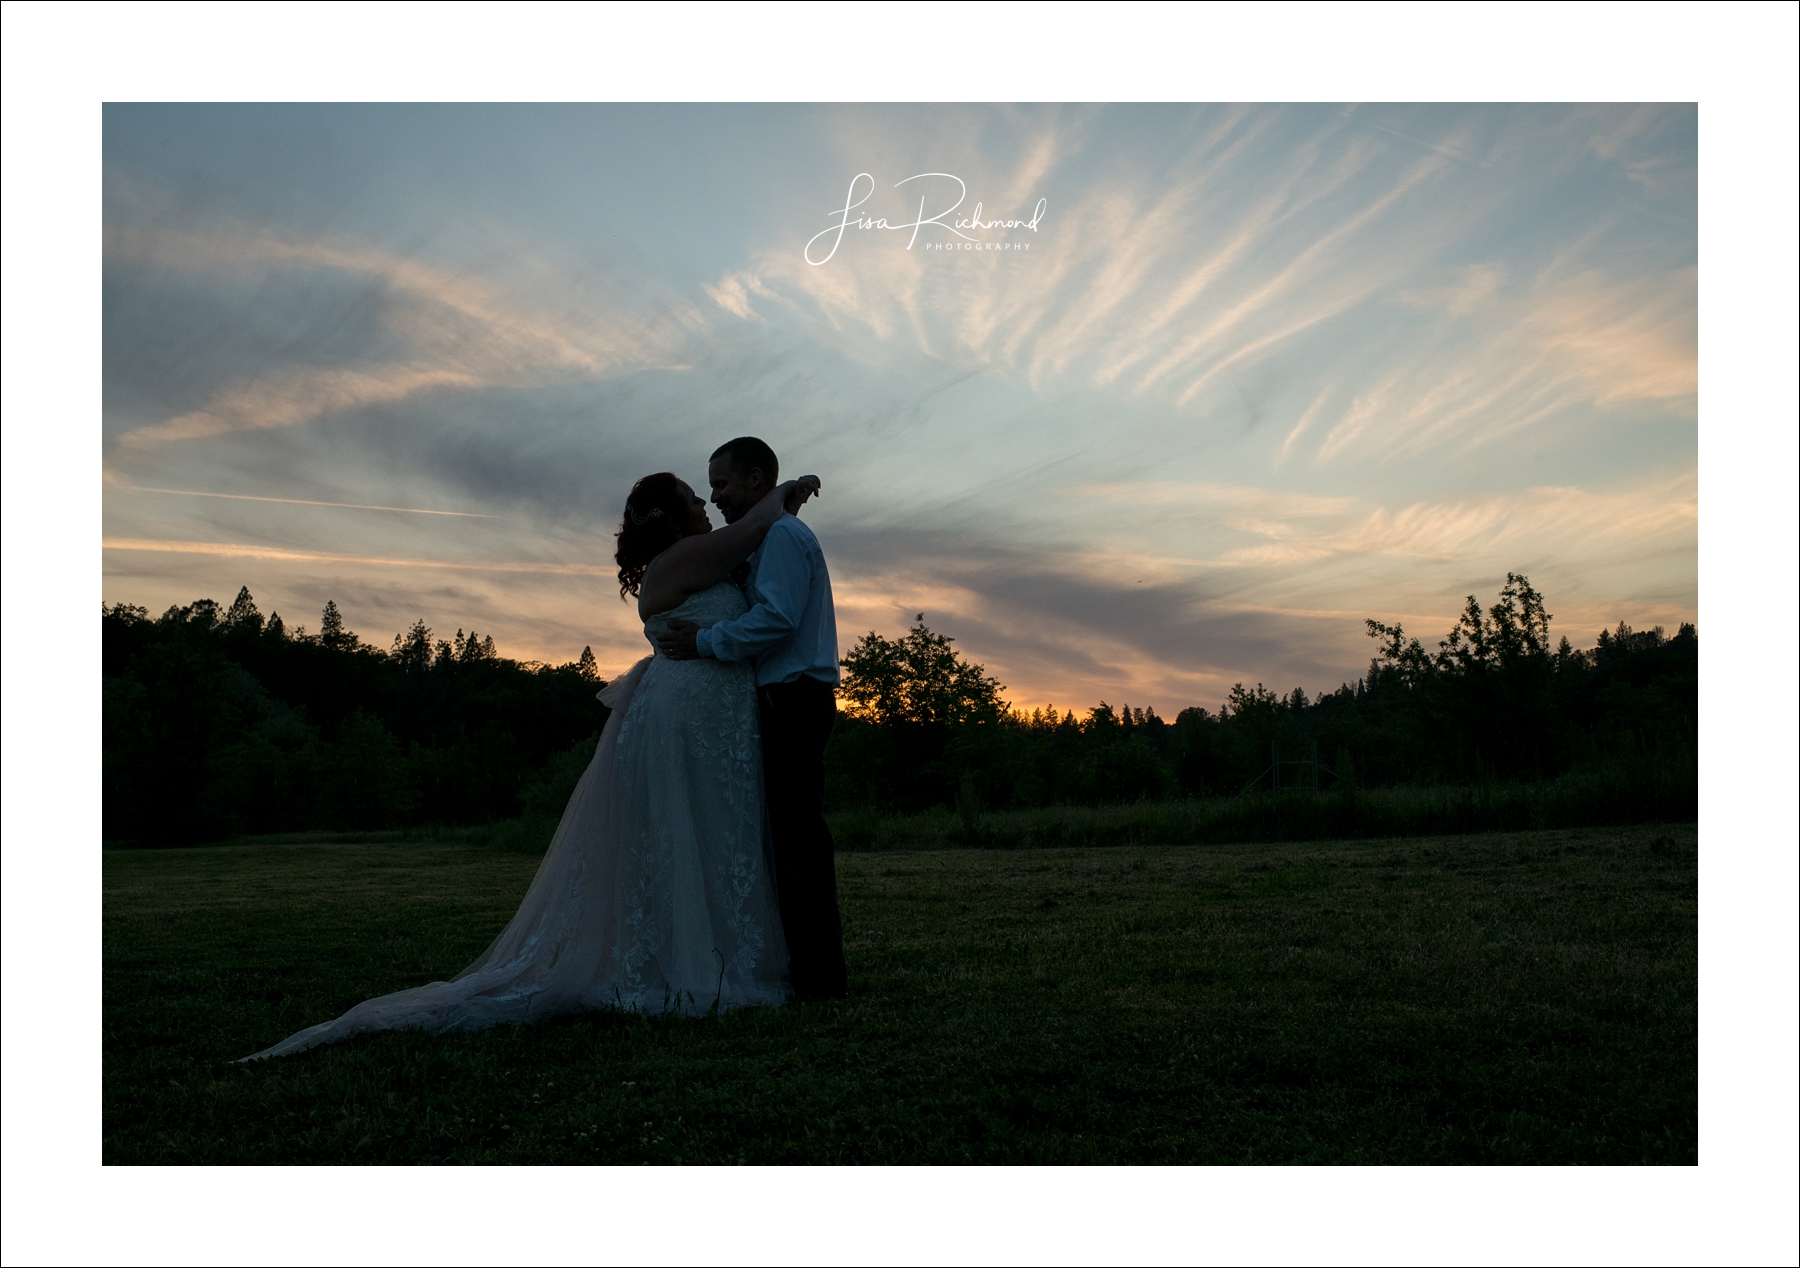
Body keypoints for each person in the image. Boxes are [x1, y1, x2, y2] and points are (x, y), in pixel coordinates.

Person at [240, 468, 819, 1060]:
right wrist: (787, 488)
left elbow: (756, 556)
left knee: (720, 833)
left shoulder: (704, 559)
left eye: (708, 494)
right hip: (686, 717)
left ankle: (716, 955)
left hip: (717, 718)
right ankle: (687, 966)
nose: (704, 503)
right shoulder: (683, 560)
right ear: (670, 520)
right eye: (693, 499)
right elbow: (751, 527)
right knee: (687, 831)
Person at [656, 436, 848, 1000]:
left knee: (797, 840)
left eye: (722, 484)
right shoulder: (766, 537)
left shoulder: (784, 538)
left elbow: (778, 620)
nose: (715, 498)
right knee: (781, 840)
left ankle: (821, 979)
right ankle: (802, 966)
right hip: (779, 699)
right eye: (709, 487)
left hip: (794, 697)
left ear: (755, 481)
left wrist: (707, 641)